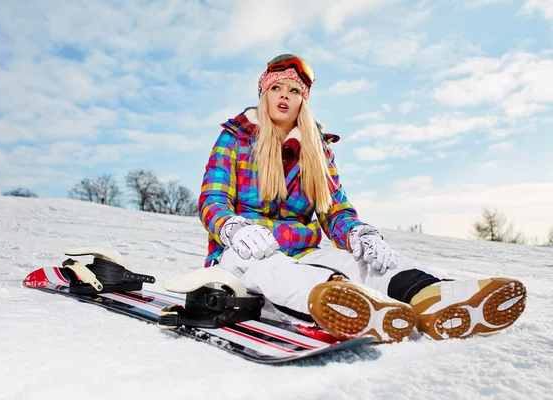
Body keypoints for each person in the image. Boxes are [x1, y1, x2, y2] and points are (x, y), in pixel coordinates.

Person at [198, 54, 526, 343]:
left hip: (303, 250)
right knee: (272, 270)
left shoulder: (316, 151)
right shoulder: (235, 139)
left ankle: (430, 296)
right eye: (276, 88)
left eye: (294, 90)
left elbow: (335, 210)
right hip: (241, 254)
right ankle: (341, 302)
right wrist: (233, 228)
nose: (285, 95)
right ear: (263, 94)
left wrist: (359, 233)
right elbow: (212, 201)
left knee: (359, 261)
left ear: (303, 100)